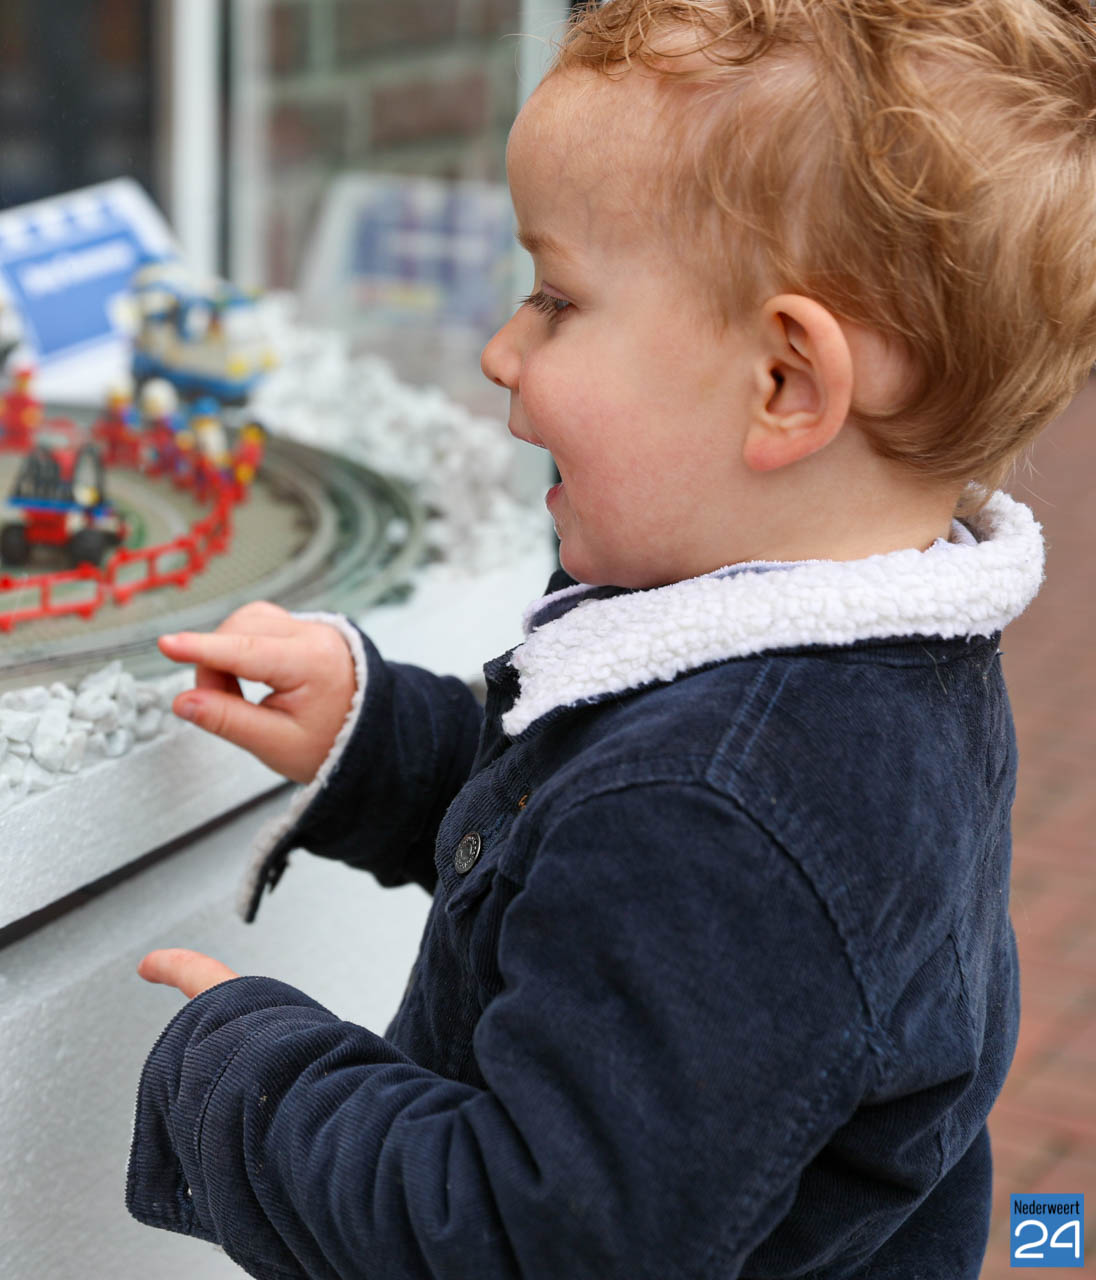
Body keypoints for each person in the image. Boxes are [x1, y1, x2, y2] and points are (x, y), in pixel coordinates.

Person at [125, 3, 1096, 1276]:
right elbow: (583, 849)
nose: (501, 349)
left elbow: (527, 1235)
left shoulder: (727, 811)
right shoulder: (857, 672)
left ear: (784, 384)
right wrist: (382, 737)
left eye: (555, 298)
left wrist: (243, 1076)